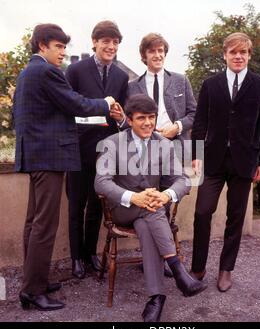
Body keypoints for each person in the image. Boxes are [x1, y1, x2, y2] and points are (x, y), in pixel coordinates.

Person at [13, 23, 115, 311]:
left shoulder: (26, 73)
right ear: (43, 45)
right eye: (58, 46)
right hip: (49, 157)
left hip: (34, 156)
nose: (63, 52)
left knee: (34, 223)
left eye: (64, 47)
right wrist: (105, 103)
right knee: (44, 225)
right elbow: (76, 104)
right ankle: (33, 291)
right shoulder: (46, 71)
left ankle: (36, 281)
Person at [94, 94, 207, 322]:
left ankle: (156, 298)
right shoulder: (112, 143)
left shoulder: (164, 144)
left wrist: (165, 195)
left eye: (152, 117)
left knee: (148, 222)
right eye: (141, 118)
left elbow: (183, 180)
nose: (148, 123)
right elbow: (101, 182)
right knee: (151, 209)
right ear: (129, 119)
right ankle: (177, 269)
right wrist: (133, 197)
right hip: (123, 209)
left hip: (151, 208)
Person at [191, 32, 260, 292]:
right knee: (202, 212)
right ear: (225, 55)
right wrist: (196, 155)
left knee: (235, 217)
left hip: (244, 161)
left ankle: (226, 269)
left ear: (249, 55)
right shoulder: (210, 84)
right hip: (213, 161)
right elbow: (200, 122)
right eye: (233, 52)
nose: (238, 56)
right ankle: (197, 267)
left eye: (243, 52)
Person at [128, 33, 196, 276]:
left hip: (175, 145)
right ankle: (156, 255)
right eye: (152, 51)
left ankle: (163, 259)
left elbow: (193, 114)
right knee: (149, 197)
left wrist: (176, 127)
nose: (157, 55)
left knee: (166, 198)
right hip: (144, 146)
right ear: (144, 56)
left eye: (161, 51)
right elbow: (129, 119)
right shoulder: (132, 86)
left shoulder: (180, 80)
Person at [65, 20, 128, 279]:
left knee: (95, 206)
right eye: (106, 41)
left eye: (115, 42)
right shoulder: (76, 70)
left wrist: (119, 114)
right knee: (75, 207)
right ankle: (76, 259)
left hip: (106, 153)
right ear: (94, 42)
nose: (110, 46)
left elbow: (121, 115)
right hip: (78, 150)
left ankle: (90, 254)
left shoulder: (122, 76)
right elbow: (68, 107)